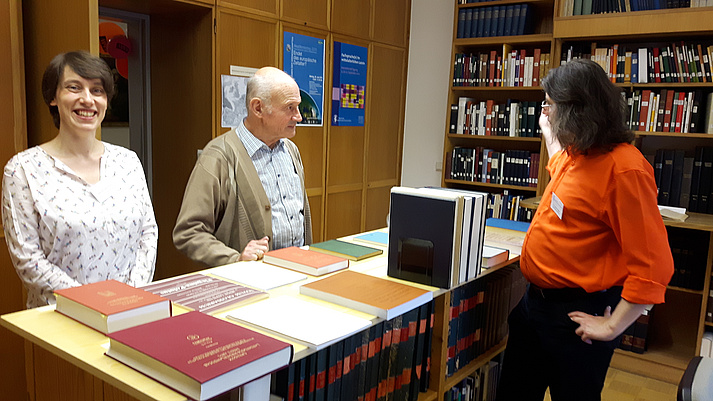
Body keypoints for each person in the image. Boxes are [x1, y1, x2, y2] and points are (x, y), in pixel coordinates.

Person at [495, 59, 674, 401]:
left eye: (549, 105)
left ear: (576, 111)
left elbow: (654, 267)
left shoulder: (624, 170)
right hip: (535, 307)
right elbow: (558, 164)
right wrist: (549, 131)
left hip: (578, 317)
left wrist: (611, 325)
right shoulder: (578, 154)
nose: (544, 111)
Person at [1, 51, 158, 309]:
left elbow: (148, 233)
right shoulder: (23, 170)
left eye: (97, 91)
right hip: (60, 318)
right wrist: (94, 305)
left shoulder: (128, 162)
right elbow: (27, 258)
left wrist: (132, 295)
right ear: (53, 97)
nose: (87, 99)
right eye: (74, 88)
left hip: (130, 311)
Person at [173, 66, 312, 267]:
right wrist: (235, 258)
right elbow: (188, 232)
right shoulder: (218, 156)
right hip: (249, 285)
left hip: (296, 273)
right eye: (289, 107)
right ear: (258, 108)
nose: (298, 116)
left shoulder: (291, 150)